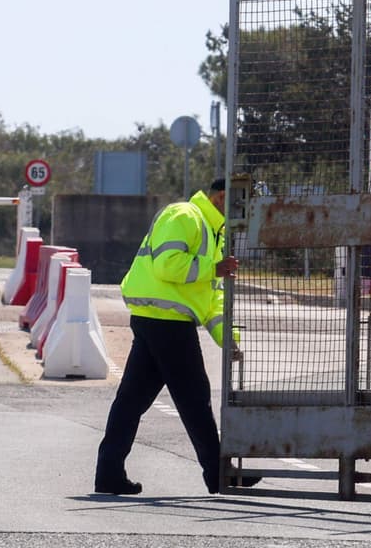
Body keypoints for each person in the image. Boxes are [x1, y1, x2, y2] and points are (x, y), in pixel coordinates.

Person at [94, 178, 261, 495]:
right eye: (246, 204)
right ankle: (219, 474)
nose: (249, 212)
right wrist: (214, 267)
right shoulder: (185, 215)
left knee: (132, 401)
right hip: (166, 322)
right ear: (223, 197)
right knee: (195, 399)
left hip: (161, 320)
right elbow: (167, 266)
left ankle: (109, 474)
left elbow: (210, 300)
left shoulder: (214, 233)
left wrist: (228, 339)